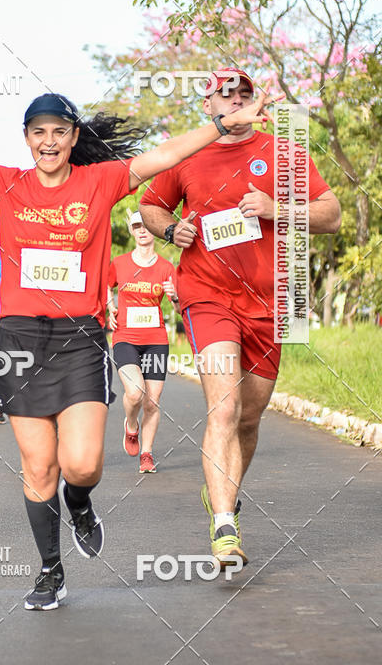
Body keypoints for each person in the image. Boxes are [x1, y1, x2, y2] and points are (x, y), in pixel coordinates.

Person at [0, 65, 275, 610]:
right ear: (27, 139)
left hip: (79, 339)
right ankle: (50, 571)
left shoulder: (102, 181)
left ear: (74, 138)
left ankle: (80, 504)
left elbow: (166, 155)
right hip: (18, 341)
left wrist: (225, 127)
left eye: (59, 131)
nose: (49, 141)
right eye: (38, 132)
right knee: (38, 468)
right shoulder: (4, 183)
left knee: (82, 465)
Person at [139, 67, 341, 567]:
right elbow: (150, 207)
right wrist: (173, 231)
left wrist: (275, 208)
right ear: (207, 105)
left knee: (249, 417)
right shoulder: (188, 153)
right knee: (224, 409)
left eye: (241, 95)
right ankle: (225, 523)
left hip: (271, 303)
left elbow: (331, 214)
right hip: (207, 294)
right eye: (222, 96)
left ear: (255, 102)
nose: (232, 103)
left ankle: (221, 492)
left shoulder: (283, 152)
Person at [107, 211, 178, 474]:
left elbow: (180, 308)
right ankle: (131, 424)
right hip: (126, 338)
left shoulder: (166, 268)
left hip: (156, 340)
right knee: (135, 393)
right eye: (137, 225)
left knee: (153, 401)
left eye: (146, 225)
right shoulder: (120, 263)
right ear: (132, 230)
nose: (142, 230)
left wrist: (176, 296)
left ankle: (147, 454)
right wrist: (109, 306)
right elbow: (106, 285)